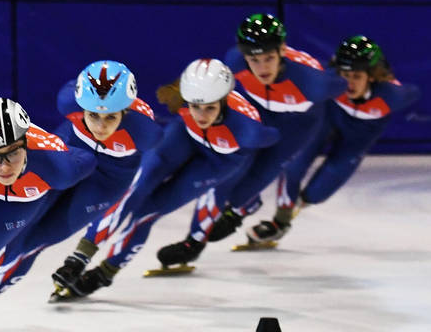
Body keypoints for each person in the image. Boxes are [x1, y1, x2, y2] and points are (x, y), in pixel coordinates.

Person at [0, 60, 162, 332]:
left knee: (33, 243)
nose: (100, 126)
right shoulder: (68, 100)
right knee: (16, 232)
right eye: (93, 116)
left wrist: (85, 251)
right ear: (80, 105)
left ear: (125, 110)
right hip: (65, 161)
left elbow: (126, 197)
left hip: (106, 181)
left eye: (111, 117)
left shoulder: (147, 131)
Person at [50, 58, 279, 299]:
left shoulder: (249, 131)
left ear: (223, 102)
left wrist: (242, 201)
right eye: (195, 106)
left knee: (146, 213)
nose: (201, 115)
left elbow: (270, 157)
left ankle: (106, 271)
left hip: (219, 160)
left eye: (210, 108)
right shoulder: (180, 97)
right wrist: (80, 256)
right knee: (135, 189)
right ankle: (82, 255)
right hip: (184, 137)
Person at [155, 13, 346, 260]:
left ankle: (241, 208)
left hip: (297, 125)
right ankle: (194, 243)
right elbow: (206, 82)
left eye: (269, 58)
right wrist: (176, 90)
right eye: (255, 59)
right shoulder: (235, 61)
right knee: (223, 174)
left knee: (256, 178)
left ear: (282, 51)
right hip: (257, 112)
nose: (263, 67)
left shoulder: (313, 82)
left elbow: (346, 88)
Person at [244, 35, 421, 243]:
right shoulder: (328, 82)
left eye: (356, 76)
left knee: (317, 193)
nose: (349, 83)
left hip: (360, 135)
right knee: (292, 165)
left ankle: (298, 204)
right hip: (328, 116)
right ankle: (280, 221)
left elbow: (414, 93)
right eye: (344, 75)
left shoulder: (392, 96)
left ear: (372, 76)